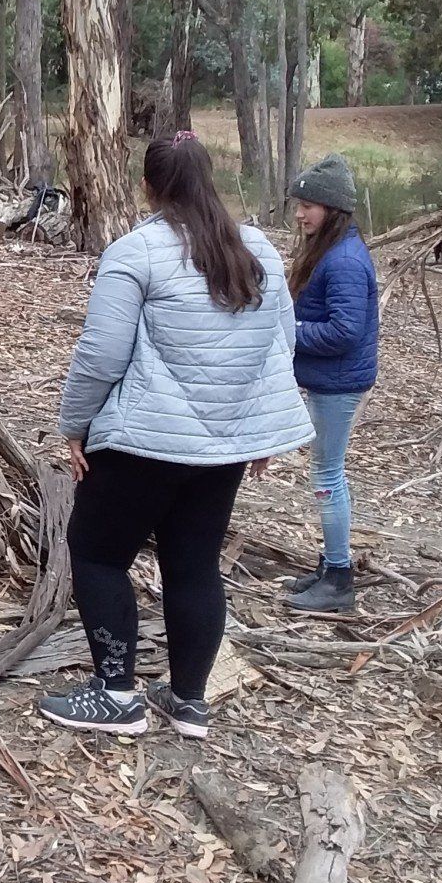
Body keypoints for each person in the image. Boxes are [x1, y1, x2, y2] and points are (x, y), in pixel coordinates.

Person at [38, 131, 312, 739]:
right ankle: (188, 701)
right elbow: (280, 345)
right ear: (209, 178)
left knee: (98, 554)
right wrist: (259, 432)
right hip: (221, 451)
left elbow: (101, 355)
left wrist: (74, 425)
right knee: (194, 565)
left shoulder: (136, 252)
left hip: (142, 443)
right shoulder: (259, 250)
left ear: (149, 187)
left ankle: (116, 694)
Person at [279, 153, 379, 614]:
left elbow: (345, 331)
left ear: (333, 209)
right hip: (329, 384)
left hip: (338, 388)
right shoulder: (334, 252)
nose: (300, 213)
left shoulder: (343, 262)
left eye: (310, 205)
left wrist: (289, 333)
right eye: (299, 204)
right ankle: (330, 566)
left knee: (328, 476)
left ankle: (339, 578)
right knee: (328, 474)